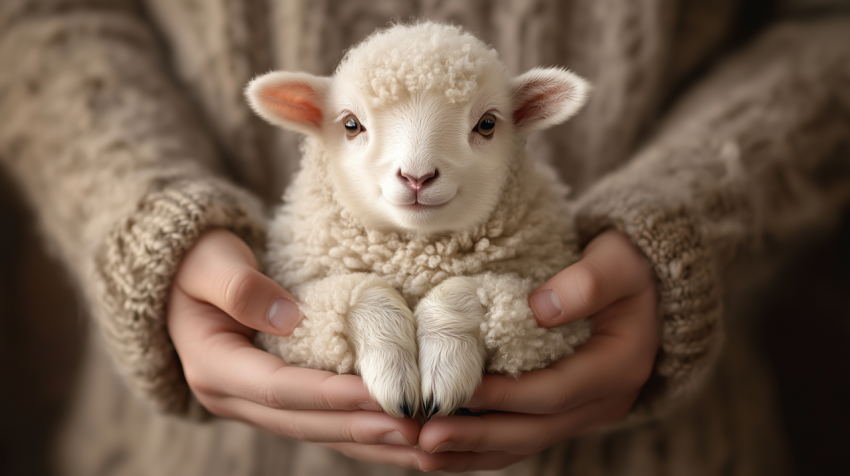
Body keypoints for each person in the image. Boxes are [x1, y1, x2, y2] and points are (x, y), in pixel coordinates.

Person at [0, 0, 848, 474]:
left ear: (526, 113)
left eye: (484, 126)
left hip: (665, 452)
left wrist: (692, 217)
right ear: (313, 113)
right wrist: (146, 217)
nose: (414, 166)